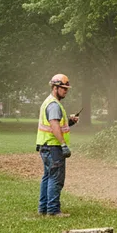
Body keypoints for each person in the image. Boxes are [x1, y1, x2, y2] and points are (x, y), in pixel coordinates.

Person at [35, 73, 79, 217]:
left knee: (47, 177)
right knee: (56, 178)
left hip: (45, 146)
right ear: (55, 87)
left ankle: (43, 209)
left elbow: (57, 125)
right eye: (63, 88)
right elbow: (54, 126)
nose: (66, 91)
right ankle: (53, 210)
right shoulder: (54, 105)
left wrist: (70, 122)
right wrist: (63, 145)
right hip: (53, 147)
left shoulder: (49, 102)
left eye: (67, 88)